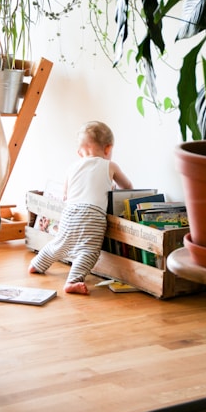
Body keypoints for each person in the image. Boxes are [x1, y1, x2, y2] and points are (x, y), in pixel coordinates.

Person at [28, 121, 133, 295]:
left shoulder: (72, 168)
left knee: (60, 244)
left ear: (79, 153)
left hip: (70, 212)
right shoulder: (110, 166)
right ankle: (73, 280)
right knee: (89, 251)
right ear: (108, 149)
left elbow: (65, 196)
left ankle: (37, 264)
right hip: (93, 215)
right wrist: (111, 189)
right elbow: (128, 187)